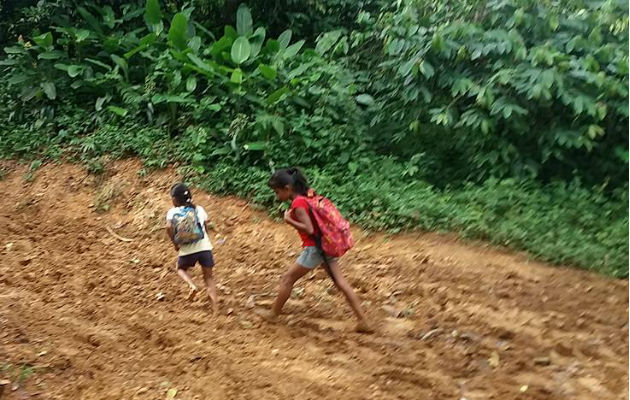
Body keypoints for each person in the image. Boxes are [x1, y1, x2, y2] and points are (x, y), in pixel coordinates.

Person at [259, 167, 372, 333]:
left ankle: (273, 314)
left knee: (287, 279)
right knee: (341, 283)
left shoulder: (298, 203)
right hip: (325, 245)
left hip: (315, 249)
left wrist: (289, 220)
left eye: (277, 192)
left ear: (287, 189)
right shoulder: (308, 196)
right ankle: (363, 321)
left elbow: (309, 229)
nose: (277, 196)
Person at [165, 183, 218, 313]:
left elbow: (168, 227)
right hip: (205, 248)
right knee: (209, 278)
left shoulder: (172, 212)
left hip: (187, 250)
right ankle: (215, 310)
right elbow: (205, 226)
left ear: (174, 199)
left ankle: (192, 285)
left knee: (181, 269)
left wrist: (175, 243)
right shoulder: (199, 209)